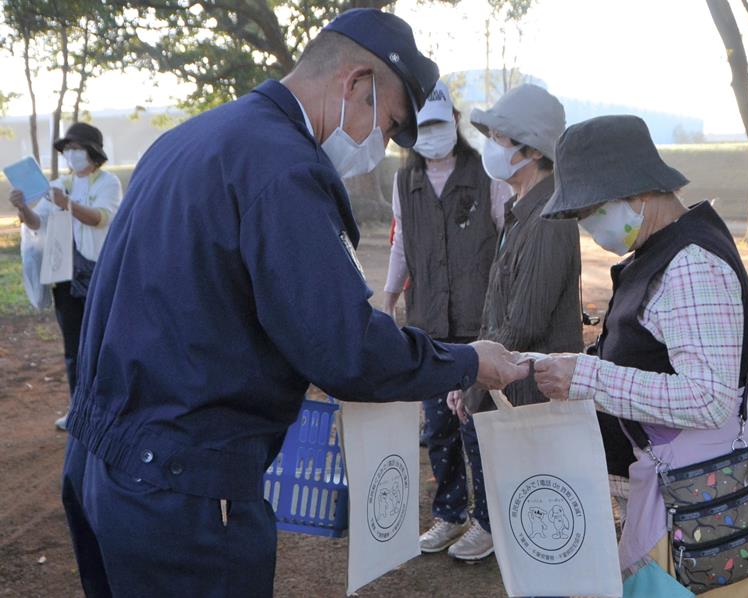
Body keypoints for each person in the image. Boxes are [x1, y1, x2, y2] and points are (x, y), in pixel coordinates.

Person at [60, 9, 529, 598]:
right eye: (387, 125)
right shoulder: (283, 168)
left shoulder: (192, 139)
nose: (381, 146)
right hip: (183, 484)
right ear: (356, 84)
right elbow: (345, 348)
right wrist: (468, 360)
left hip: (101, 460)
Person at [531, 115, 748, 596]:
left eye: (592, 211)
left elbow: (710, 396)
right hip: (679, 492)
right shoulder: (663, 249)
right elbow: (731, 368)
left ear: (637, 191)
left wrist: (587, 378)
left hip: (692, 502)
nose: (589, 227)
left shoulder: (691, 265)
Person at [383, 80, 510, 560]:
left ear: (454, 122)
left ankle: (488, 522)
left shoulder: (486, 176)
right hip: (428, 324)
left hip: (478, 323)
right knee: (438, 427)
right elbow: (401, 243)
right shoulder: (406, 183)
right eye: (422, 126)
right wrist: (389, 298)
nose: (432, 134)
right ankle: (450, 512)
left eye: (439, 123)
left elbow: (506, 239)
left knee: (477, 425)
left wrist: (502, 309)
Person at [448, 84, 583, 415]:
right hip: (508, 399)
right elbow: (495, 315)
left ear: (534, 151)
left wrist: (472, 379)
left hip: (533, 407)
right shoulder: (518, 213)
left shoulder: (549, 219)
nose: (490, 146)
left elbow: (523, 324)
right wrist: (469, 374)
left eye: (499, 138)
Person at [7, 122, 122, 431]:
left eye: (76, 148)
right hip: (65, 275)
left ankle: (110, 410)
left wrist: (67, 204)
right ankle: (78, 409)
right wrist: (23, 208)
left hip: (97, 273)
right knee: (73, 347)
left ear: (92, 152)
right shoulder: (58, 185)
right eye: (67, 149)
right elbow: (38, 224)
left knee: (103, 342)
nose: (71, 154)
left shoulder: (108, 183)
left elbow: (101, 218)